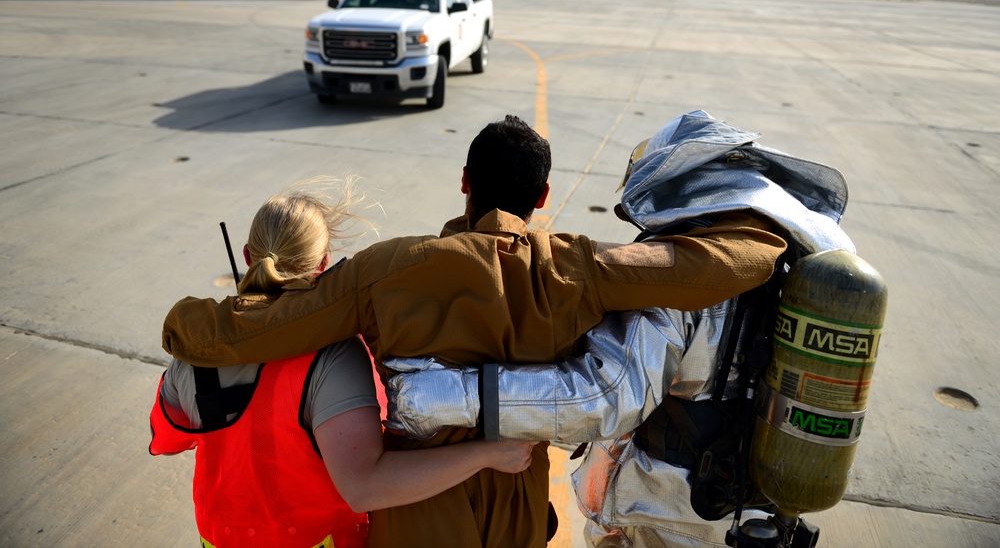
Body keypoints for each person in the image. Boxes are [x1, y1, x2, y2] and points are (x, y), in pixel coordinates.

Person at [161, 115, 788, 548]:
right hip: (516, 510)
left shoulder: (385, 271)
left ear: (464, 181)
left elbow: (268, 325)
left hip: (417, 516)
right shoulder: (577, 267)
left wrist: (186, 323)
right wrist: (769, 226)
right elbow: (720, 264)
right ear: (542, 194)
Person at [383, 111, 857, 547]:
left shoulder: (686, 281)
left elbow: (603, 397)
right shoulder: (788, 267)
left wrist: (439, 395)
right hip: (750, 508)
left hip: (665, 516)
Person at [149, 181, 536, 548]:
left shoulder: (198, 346)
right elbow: (363, 487)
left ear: (249, 257)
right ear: (323, 265)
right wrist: (488, 454)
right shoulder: (332, 356)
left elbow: (167, 439)